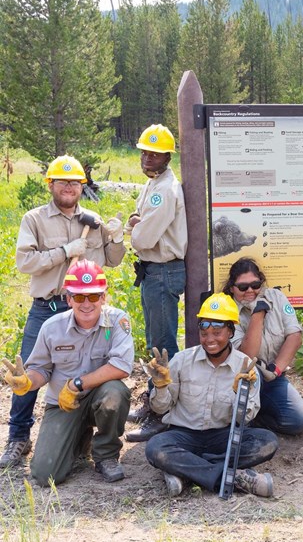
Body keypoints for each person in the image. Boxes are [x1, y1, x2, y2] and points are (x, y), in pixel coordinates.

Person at [1, 155, 125, 469]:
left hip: (88, 308)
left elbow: (112, 260)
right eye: (62, 181)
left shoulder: (93, 220)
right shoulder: (35, 219)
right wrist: (65, 252)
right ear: (51, 184)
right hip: (48, 308)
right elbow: (25, 262)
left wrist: (117, 238)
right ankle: (18, 437)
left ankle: (85, 431)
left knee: (93, 370)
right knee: (28, 374)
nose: (69, 187)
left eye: (75, 182)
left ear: (82, 186)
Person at [2, 260, 134, 485]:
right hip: (61, 405)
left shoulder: (118, 321)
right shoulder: (52, 327)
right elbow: (41, 370)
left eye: (93, 296)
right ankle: (79, 438)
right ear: (68, 298)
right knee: (45, 475)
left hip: (97, 398)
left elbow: (121, 366)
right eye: (79, 297)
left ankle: (106, 455)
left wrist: (77, 384)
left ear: (103, 297)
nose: (86, 303)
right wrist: (27, 382)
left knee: (115, 393)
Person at [144, 293, 278, 498]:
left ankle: (186, 472)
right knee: (156, 447)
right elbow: (160, 409)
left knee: (267, 442)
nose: (210, 339)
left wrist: (239, 394)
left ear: (231, 332)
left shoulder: (245, 366)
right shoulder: (182, 360)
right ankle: (232, 477)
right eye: (204, 333)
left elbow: (244, 420)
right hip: (184, 435)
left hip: (223, 437)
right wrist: (160, 386)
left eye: (217, 332)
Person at [125, 124, 188, 442]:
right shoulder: (153, 185)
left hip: (163, 270)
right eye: (144, 152)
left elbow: (144, 236)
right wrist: (136, 224)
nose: (147, 158)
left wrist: (136, 228)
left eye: (155, 153)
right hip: (154, 270)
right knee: (155, 340)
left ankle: (165, 413)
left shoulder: (165, 189)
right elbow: (137, 222)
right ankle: (155, 400)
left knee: (163, 344)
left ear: (167, 156)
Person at [221, 257, 303, 436]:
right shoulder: (227, 308)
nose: (250, 291)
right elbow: (247, 355)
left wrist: (275, 369)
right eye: (243, 287)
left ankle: (258, 418)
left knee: (297, 422)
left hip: (272, 374)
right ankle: (245, 418)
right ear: (232, 288)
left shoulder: (276, 297)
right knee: (235, 420)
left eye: (255, 285)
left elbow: (295, 335)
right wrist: (258, 313)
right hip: (241, 379)